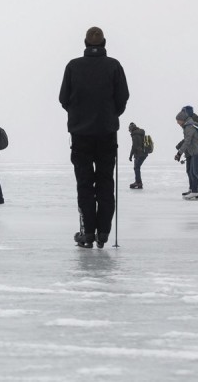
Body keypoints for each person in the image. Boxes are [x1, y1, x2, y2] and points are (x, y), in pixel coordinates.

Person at [59, 26, 130, 249]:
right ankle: (103, 233)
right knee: (105, 183)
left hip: (81, 135)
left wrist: (79, 115)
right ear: (104, 43)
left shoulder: (73, 66)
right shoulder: (114, 66)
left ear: (85, 43)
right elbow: (122, 98)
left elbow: (63, 99)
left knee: (85, 184)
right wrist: (109, 116)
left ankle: (88, 232)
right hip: (107, 133)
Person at [177, 108, 198, 200]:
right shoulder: (188, 126)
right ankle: (194, 192)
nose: (177, 122)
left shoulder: (189, 126)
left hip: (197, 152)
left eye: (178, 120)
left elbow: (187, 141)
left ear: (183, 119)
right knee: (192, 172)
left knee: (196, 171)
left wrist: (179, 153)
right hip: (194, 152)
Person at [128, 122, 148, 189]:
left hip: (139, 154)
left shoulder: (135, 134)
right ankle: (138, 182)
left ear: (131, 129)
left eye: (129, 130)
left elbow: (134, 146)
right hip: (144, 153)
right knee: (137, 167)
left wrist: (130, 156)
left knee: (136, 167)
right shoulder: (141, 133)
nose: (129, 131)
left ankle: (138, 182)